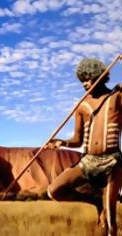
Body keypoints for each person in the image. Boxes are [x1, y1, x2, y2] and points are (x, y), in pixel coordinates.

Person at [45, 58, 122, 236]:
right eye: (82, 81)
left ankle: (107, 204)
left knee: (110, 223)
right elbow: (78, 140)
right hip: (87, 161)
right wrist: (62, 142)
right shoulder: (81, 106)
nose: (84, 84)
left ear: (99, 76)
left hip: (112, 162)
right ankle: (95, 200)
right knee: (54, 191)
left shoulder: (116, 97)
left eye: (87, 79)